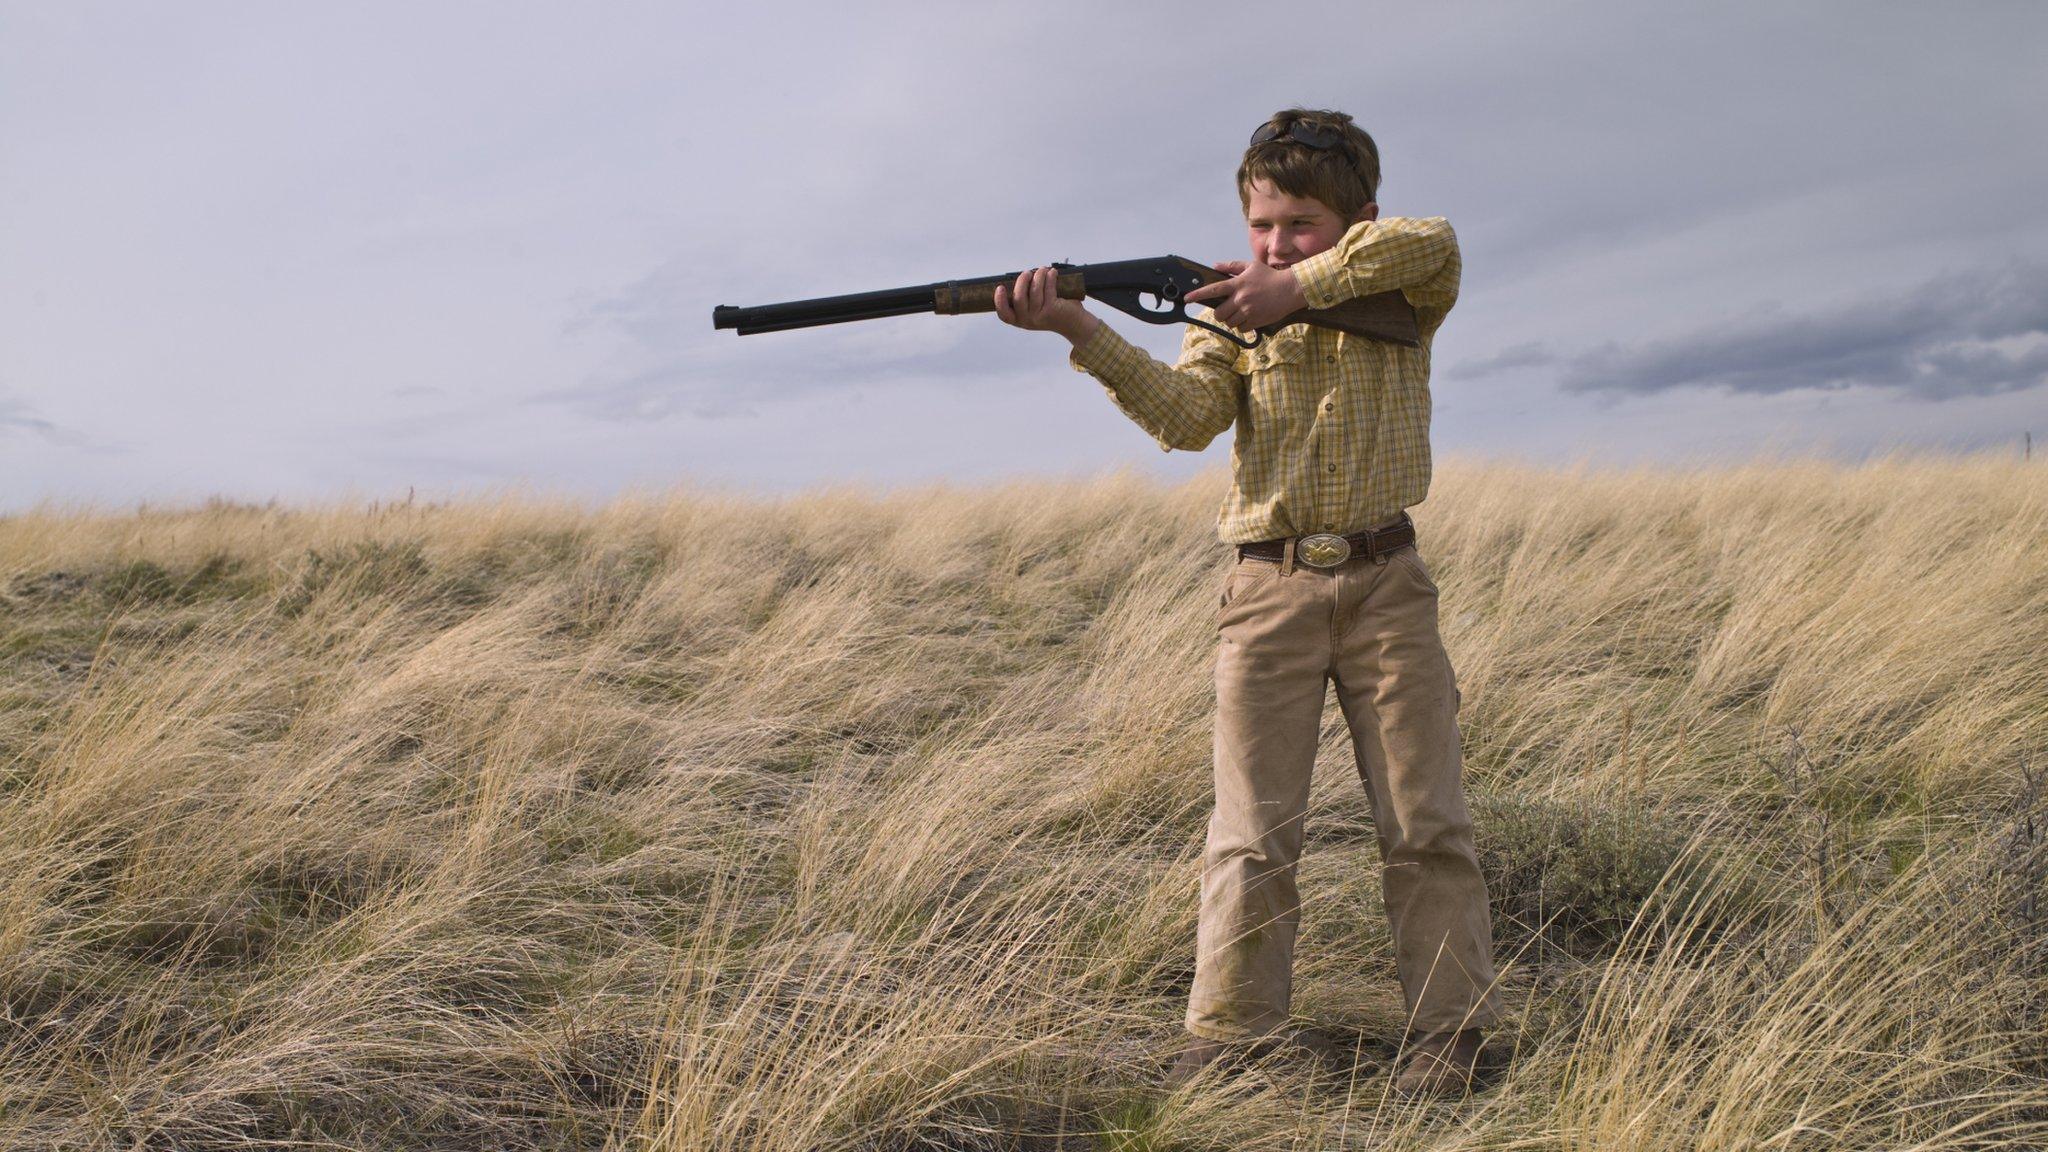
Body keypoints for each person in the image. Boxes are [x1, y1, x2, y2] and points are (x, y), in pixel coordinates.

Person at [993, 108, 1504, 1098]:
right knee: (1249, 834)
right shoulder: (1227, 315)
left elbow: (1432, 240)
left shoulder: (1399, 280)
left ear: (1356, 218)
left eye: (1300, 224)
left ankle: (1450, 1037)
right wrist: (1075, 326)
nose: (1273, 244)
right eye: (1261, 225)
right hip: (1264, 588)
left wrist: (1295, 288)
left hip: (1387, 587)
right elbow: (1185, 421)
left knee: (1424, 824)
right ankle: (1232, 1042)